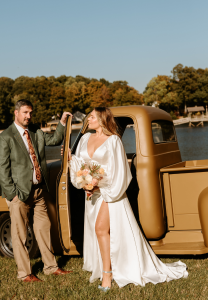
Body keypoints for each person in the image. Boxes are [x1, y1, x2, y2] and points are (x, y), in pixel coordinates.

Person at [66, 107, 188, 291]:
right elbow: (81, 164)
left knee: (100, 229)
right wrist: (80, 175)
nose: (87, 120)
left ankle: (107, 275)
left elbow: (119, 170)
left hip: (110, 192)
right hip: (91, 194)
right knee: (100, 231)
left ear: (101, 119)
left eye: (91, 116)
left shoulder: (113, 140)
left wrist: (99, 183)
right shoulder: (84, 138)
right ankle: (107, 268)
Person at [0, 99, 72, 282]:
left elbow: (54, 139)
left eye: (30, 113)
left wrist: (61, 122)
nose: (28, 116)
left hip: (38, 192)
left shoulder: (35, 131)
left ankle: (51, 267)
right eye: (25, 113)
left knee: (44, 229)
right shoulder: (6, 137)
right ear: (16, 113)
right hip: (19, 194)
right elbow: (1, 167)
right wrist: (12, 194)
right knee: (20, 234)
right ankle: (25, 274)